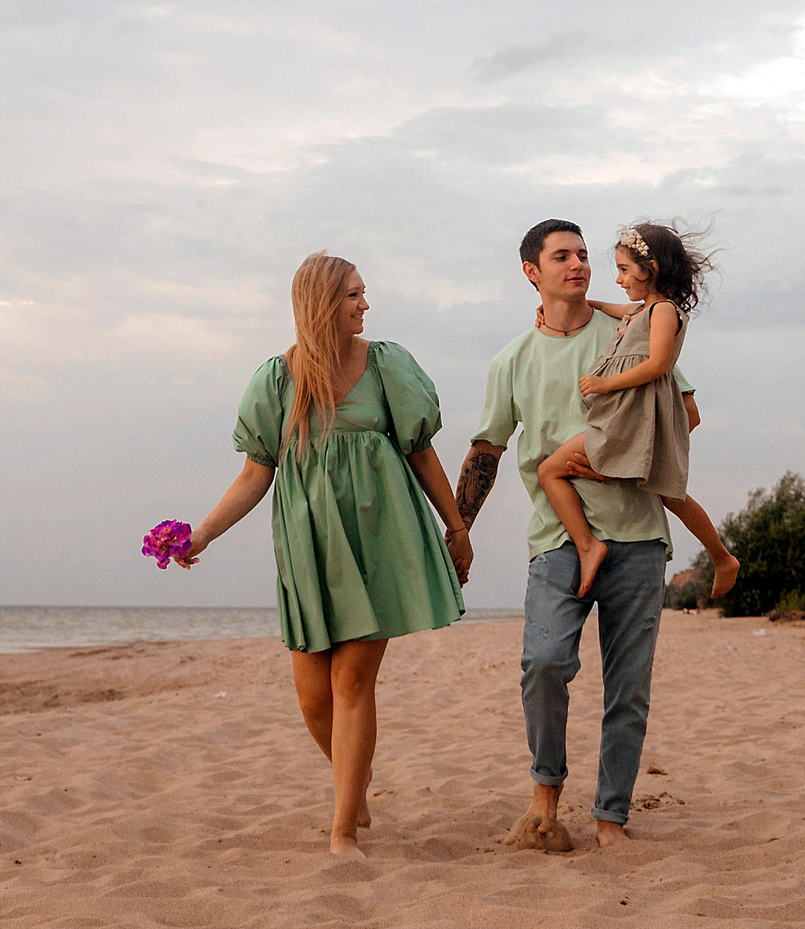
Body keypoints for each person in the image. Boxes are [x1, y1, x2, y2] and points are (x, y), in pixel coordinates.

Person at [178, 252, 474, 857]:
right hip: (308, 544)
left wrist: (457, 524)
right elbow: (255, 475)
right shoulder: (277, 381)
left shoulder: (388, 366)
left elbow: (420, 453)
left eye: (364, 293)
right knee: (314, 698)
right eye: (353, 296)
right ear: (322, 305)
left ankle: (342, 830)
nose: (365, 304)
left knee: (352, 682)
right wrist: (203, 532)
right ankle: (353, 785)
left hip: (379, 536)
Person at [455, 220, 701, 854]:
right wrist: (457, 531)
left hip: (639, 535)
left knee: (628, 688)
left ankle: (611, 818)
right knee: (544, 662)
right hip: (556, 537)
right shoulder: (512, 359)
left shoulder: (631, 327)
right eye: (562, 256)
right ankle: (545, 796)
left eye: (585, 255)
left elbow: (686, 413)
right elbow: (486, 449)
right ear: (532, 272)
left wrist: (624, 451)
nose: (580, 265)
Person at [535, 222, 738, 603]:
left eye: (625, 270)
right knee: (670, 495)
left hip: (632, 419)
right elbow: (607, 308)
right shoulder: (640, 312)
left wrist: (603, 385)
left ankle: (586, 545)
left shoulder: (662, 311)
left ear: (653, 269)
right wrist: (563, 306)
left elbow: (658, 364)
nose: (618, 279)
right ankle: (721, 556)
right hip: (633, 419)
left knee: (549, 470)